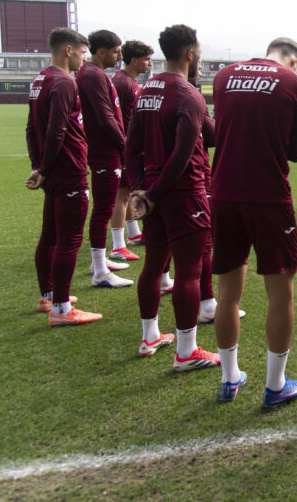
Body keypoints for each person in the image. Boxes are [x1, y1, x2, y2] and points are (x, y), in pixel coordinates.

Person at [210, 37, 297, 405]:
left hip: (222, 192)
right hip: (268, 195)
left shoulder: (224, 76)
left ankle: (229, 378)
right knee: (280, 293)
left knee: (227, 292)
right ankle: (275, 385)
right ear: (296, 60)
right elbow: (295, 149)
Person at [126, 24, 219, 372]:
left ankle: (150, 336)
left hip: (153, 193)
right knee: (189, 273)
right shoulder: (187, 93)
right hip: (183, 194)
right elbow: (182, 155)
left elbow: (131, 146)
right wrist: (150, 192)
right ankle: (186, 351)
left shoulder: (146, 90)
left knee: (154, 264)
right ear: (190, 54)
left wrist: (141, 189)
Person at [25, 27, 101, 325]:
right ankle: (60, 309)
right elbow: (57, 130)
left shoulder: (39, 80)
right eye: (82, 52)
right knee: (69, 239)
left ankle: (48, 296)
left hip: (51, 169)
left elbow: (31, 128)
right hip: (67, 169)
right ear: (68, 50)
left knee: (50, 235)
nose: (84, 59)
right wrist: (43, 168)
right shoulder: (64, 82)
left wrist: (38, 166)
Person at [75, 29, 133, 287]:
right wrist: (124, 146)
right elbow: (104, 116)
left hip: (104, 150)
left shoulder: (94, 74)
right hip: (104, 152)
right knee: (103, 209)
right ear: (101, 52)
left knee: (104, 207)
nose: (119, 56)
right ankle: (100, 271)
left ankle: (99, 262)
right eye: (116, 51)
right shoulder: (92, 75)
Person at [110, 39, 153, 260]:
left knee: (126, 191)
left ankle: (133, 234)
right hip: (123, 146)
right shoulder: (122, 83)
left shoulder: (129, 81)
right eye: (146, 59)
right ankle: (117, 245)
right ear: (134, 60)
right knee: (122, 194)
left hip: (129, 145)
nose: (150, 64)